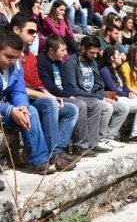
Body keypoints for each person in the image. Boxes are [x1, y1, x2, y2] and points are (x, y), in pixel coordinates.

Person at [12, 13, 78, 171]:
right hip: (19, 98)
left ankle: (59, 150)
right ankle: (53, 155)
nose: (35, 35)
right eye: (30, 31)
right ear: (15, 30)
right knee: (46, 105)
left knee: (71, 109)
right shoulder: (10, 54)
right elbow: (18, 87)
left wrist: (53, 96)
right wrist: (48, 97)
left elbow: (36, 83)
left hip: (31, 95)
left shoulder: (30, 56)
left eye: (36, 32)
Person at [0, 30, 55, 173]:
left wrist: (22, 106)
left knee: (30, 111)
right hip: (3, 108)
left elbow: (18, 91)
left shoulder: (15, 66)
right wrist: (10, 110)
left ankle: (38, 161)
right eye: (8, 56)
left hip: (5, 106)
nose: (12, 61)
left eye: (16, 57)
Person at [61, 35, 128, 151]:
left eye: (96, 53)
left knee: (122, 107)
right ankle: (94, 142)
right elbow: (72, 90)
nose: (95, 56)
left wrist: (103, 95)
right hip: (80, 96)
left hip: (94, 95)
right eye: (92, 52)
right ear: (82, 48)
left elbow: (99, 84)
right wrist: (100, 98)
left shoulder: (92, 62)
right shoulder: (70, 63)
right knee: (104, 106)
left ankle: (108, 138)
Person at [38, 34, 100, 157]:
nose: (65, 53)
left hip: (64, 94)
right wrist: (68, 96)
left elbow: (67, 84)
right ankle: (79, 146)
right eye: (62, 50)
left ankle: (91, 144)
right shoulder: (41, 61)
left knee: (96, 104)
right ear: (51, 50)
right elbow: (49, 86)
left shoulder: (59, 62)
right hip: (54, 96)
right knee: (80, 105)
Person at [100, 47, 137, 142]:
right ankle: (134, 135)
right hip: (115, 98)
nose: (121, 57)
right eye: (118, 55)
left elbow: (125, 86)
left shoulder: (118, 70)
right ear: (112, 58)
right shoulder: (105, 71)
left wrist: (129, 92)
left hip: (123, 96)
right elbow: (113, 88)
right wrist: (126, 94)